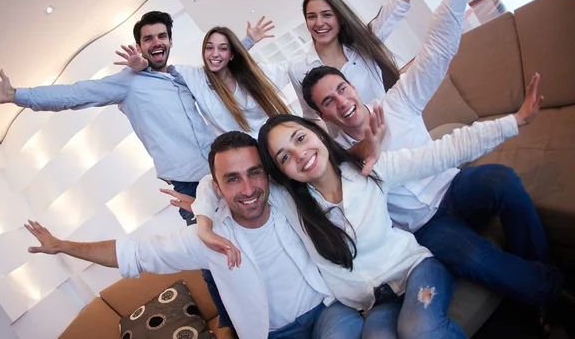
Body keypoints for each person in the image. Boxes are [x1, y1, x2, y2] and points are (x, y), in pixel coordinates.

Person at [0, 11, 272, 334]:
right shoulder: (127, 84)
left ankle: (275, 304)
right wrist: (17, 95)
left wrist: (247, 43)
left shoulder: (182, 76)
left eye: (161, 36)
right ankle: (233, 328)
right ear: (140, 46)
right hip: (190, 187)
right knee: (212, 257)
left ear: (170, 41)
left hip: (226, 171)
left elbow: (219, 70)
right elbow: (76, 94)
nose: (156, 43)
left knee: (255, 236)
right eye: (148, 39)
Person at [191, 80, 542, 338]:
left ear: (317, 132)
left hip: (413, 269)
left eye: (300, 139)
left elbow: (442, 153)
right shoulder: (287, 202)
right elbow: (215, 180)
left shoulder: (370, 170)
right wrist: (203, 221)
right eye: (284, 156)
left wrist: (514, 121)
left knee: (419, 330)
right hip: (371, 304)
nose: (299, 154)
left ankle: (548, 291)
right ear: (280, 172)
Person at [301, 65, 573, 330]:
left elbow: (446, 148)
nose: (341, 101)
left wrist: (515, 120)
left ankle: (539, 270)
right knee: (473, 257)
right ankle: (552, 293)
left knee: (502, 180)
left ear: (353, 86)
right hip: (426, 225)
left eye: (342, 89)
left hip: (454, 186)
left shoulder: (394, 105)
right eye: (328, 101)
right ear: (320, 114)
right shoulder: (338, 161)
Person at [23, 131, 365, 339]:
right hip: (272, 335)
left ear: (266, 174)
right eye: (232, 179)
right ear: (218, 187)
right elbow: (134, 253)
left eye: (254, 173)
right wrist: (64, 246)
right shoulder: (207, 238)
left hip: (327, 311)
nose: (248, 189)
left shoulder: (288, 195)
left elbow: (325, 159)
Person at [288, 0, 467, 132]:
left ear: (340, 17)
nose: (319, 23)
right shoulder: (298, 67)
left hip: (394, 129)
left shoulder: (364, 43)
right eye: (312, 17)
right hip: (356, 148)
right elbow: (312, 117)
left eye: (327, 14)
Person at [118, 23, 291, 139]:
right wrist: (141, 66)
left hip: (277, 140)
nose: (214, 54)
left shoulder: (254, 74)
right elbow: (161, 70)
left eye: (223, 48)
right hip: (245, 153)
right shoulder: (195, 78)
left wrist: (248, 41)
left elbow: (292, 68)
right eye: (209, 48)